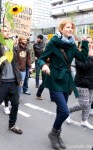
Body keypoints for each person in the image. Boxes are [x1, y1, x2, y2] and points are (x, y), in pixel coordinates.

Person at [37, 19, 89, 149]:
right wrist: (43, 65)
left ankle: (57, 134)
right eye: (67, 27)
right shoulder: (53, 42)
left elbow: (82, 57)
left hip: (66, 81)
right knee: (65, 112)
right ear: (61, 29)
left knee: (60, 110)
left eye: (72, 27)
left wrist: (85, 43)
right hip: (55, 79)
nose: (70, 29)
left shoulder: (72, 44)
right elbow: (41, 58)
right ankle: (53, 134)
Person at [66, 37, 93, 129]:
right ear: (83, 45)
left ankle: (84, 121)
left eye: (91, 42)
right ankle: (67, 112)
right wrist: (90, 56)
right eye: (88, 42)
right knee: (83, 104)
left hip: (91, 83)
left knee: (89, 103)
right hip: (81, 82)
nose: (90, 44)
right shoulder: (79, 55)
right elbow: (84, 67)